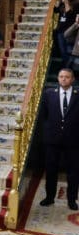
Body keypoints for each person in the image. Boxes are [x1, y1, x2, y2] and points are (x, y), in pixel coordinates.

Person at [39, 68, 79, 210]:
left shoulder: (77, 94)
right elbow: (43, 116)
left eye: (67, 77)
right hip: (52, 139)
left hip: (73, 139)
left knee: (73, 171)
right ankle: (49, 197)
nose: (63, 79)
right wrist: (49, 131)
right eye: (61, 76)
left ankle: (72, 200)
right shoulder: (49, 94)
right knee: (51, 169)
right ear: (57, 78)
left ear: (72, 79)